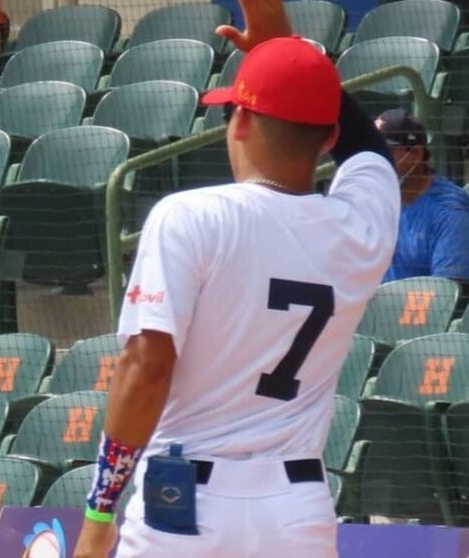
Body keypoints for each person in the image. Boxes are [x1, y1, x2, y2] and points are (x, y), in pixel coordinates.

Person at [72, 0, 400, 556]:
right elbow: (367, 148)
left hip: (185, 508)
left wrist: (100, 510)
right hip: (298, 512)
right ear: (326, 138)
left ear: (241, 120)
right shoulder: (363, 225)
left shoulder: (190, 215)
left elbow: (146, 367)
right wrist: (292, 55)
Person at [375, 108, 469, 282]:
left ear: (416, 154)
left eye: (385, 151)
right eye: (371, 151)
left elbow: (448, 294)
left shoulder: (449, 213)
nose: (375, 161)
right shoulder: (369, 201)